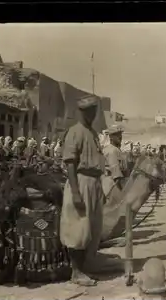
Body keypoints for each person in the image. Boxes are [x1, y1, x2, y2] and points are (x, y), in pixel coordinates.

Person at [60, 94, 122, 287]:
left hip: (94, 182)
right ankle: (76, 272)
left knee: (94, 228)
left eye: (94, 112)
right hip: (81, 181)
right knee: (80, 227)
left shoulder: (93, 133)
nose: (92, 115)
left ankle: (86, 266)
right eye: (89, 112)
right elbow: (70, 163)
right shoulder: (75, 132)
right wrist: (76, 193)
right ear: (82, 112)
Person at [103, 126, 126, 190]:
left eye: (120, 134)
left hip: (111, 183)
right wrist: (122, 192)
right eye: (117, 135)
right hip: (112, 184)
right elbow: (116, 175)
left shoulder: (114, 149)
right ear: (111, 137)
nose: (120, 137)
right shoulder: (112, 151)